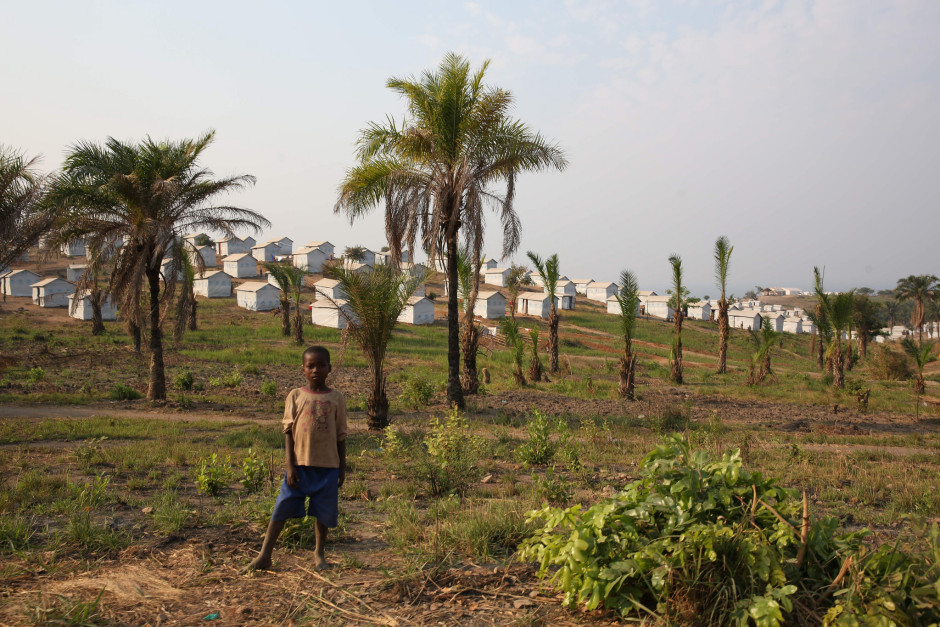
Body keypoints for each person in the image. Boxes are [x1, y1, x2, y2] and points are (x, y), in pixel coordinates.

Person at [247, 345, 346, 571]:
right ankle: (264, 555)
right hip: (299, 468)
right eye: (311, 366)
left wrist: (342, 467)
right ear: (303, 369)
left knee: (323, 513)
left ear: (329, 368)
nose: (316, 370)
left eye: (321, 365)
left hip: (328, 467)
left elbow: (341, 436)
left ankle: (319, 553)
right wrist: (290, 466)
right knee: (281, 508)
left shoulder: (336, 398)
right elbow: (288, 432)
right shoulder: (295, 396)